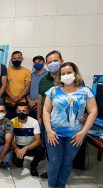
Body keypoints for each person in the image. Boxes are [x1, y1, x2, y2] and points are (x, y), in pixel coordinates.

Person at [43, 62, 97, 188]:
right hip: (54, 134)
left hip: (75, 135)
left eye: (69, 72)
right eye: (63, 73)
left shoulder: (85, 91)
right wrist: (49, 130)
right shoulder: (53, 91)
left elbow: (93, 111)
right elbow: (46, 110)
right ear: (60, 76)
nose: (66, 75)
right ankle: (50, 186)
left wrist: (83, 132)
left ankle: (61, 187)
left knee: (67, 161)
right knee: (55, 161)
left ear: (75, 73)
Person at [37, 50, 64, 179]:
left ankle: (60, 175)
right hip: (47, 120)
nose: (53, 64)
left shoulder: (69, 78)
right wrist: (39, 117)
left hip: (65, 122)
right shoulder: (43, 81)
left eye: (55, 61)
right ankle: (52, 171)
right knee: (49, 147)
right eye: (50, 62)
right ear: (46, 65)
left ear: (62, 61)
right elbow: (39, 100)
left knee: (63, 149)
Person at [11, 102, 45, 177]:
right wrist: (16, 148)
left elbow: (38, 140)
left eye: (24, 111)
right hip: (18, 147)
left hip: (30, 147)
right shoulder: (12, 122)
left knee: (41, 150)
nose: (21, 113)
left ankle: (33, 166)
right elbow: (11, 139)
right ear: (16, 111)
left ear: (28, 112)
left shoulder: (34, 122)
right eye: (19, 111)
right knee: (18, 164)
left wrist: (25, 148)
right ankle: (20, 159)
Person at [5, 51, 31, 119]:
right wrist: (12, 98)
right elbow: (4, 86)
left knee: (21, 125)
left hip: (22, 103)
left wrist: (17, 98)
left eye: (19, 58)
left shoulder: (27, 71)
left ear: (22, 59)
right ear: (11, 60)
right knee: (9, 124)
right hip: (9, 103)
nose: (16, 60)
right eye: (14, 58)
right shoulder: (6, 70)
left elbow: (27, 87)